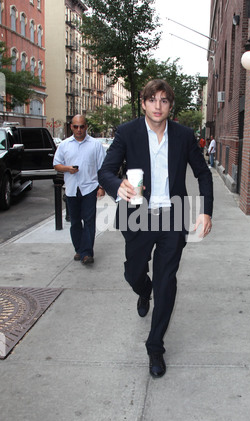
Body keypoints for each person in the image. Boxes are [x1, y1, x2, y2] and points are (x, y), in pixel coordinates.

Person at [98, 80, 213, 378]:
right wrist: (116, 186)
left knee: (167, 281)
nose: (158, 106)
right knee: (133, 272)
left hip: (172, 218)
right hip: (138, 216)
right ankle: (142, 289)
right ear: (144, 102)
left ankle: (155, 347)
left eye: (164, 100)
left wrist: (205, 211)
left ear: (170, 105)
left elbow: (202, 173)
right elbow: (106, 171)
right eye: (152, 100)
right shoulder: (127, 132)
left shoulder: (185, 135)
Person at [53, 115, 106, 265]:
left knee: (89, 221)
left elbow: (103, 168)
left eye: (82, 126)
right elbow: (56, 164)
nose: (79, 129)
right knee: (75, 222)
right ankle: (79, 249)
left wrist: (101, 187)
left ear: (86, 127)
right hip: (71, 189)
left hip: (89, 188)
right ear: (71, 127)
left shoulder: (95, 145)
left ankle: (87, 253)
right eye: (76, 126)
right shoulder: (64, 145)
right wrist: (67, 168)